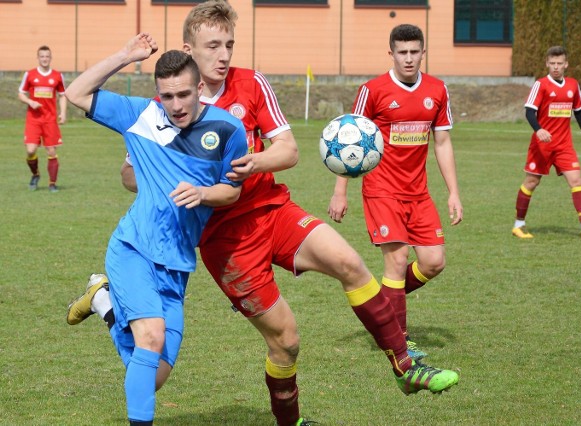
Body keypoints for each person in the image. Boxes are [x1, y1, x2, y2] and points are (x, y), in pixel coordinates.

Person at [66, 3, 459, 426]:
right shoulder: (161, 107)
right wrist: (163, 178)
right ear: (188, 51)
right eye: (213, 46)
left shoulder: (250, 86)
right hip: (225, 242)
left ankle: (404, 365)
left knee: (349, 261)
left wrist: (255, 163)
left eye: (229, 45)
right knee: (285, 343)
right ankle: (288, 421)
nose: (224, 55)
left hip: (272, 210)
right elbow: (131, 174)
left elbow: (288, 150)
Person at [64, 33, 248, 425]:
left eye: (184, 94)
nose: (176, 105)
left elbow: (231, 193)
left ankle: (103, 302)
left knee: (153, 376)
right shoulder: (140, 115)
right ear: (157, 93)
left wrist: (203, 193)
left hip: (177, 264)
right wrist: (125, 55)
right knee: (149, 339)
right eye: (167, 96)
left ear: (200, 87)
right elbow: (76, 92)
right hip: (133, 249)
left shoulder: (230, 130)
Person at [328, 24, 463, 363]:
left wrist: (453, 193)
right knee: (398, 259)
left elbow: (443, 143)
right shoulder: (372, 90)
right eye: (401, 52)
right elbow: (349, 142)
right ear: (391, 53)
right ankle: (397, 341)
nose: (408, 58)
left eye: (414, 52)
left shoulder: (437, 90)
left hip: (419, 193)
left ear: (423, 53)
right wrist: (340, 192)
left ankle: (382, 308)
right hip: (381, 189)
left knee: (433, 262)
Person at [511, 46, 581, 239]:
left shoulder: (573, 85)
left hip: (564, 145)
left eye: (559, 64)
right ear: (547, 63)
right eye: (552, 63)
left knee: (576, 181)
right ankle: (518, 224)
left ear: (566, 64)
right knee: (531, 182)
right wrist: (539, 130)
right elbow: (530, 111)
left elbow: (579, 111)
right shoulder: (541, 85)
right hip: (542, 145)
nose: (555, 67)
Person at [19, 45, 67, 192]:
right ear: (38, 58)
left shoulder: (57, 76)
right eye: (42, 56)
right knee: (30, 150)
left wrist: (63, 113)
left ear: (50, 58)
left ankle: (52, 184)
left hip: (50, 119)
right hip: (33, 119)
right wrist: (30, 102)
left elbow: (62, 95)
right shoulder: (30, 75)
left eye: (47, 56)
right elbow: (21, 93)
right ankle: (35, 174)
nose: (45, 59)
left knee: (51, 151)